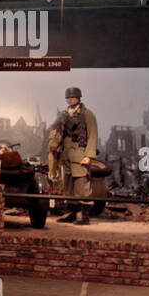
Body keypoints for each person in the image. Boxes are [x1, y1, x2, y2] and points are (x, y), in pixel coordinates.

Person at [57, 86, 98, 225]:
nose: (70, 100)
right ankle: (71, 213)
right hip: (66, 154)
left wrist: (89, 155)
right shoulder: (64, 114)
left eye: (73, 97)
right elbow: (57, 133)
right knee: (68, 186)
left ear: (79, 98)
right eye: (68, 98)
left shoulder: (87, 114)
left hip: (80, 153)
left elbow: (92, 134)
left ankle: (84, 216)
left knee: (82, 185)